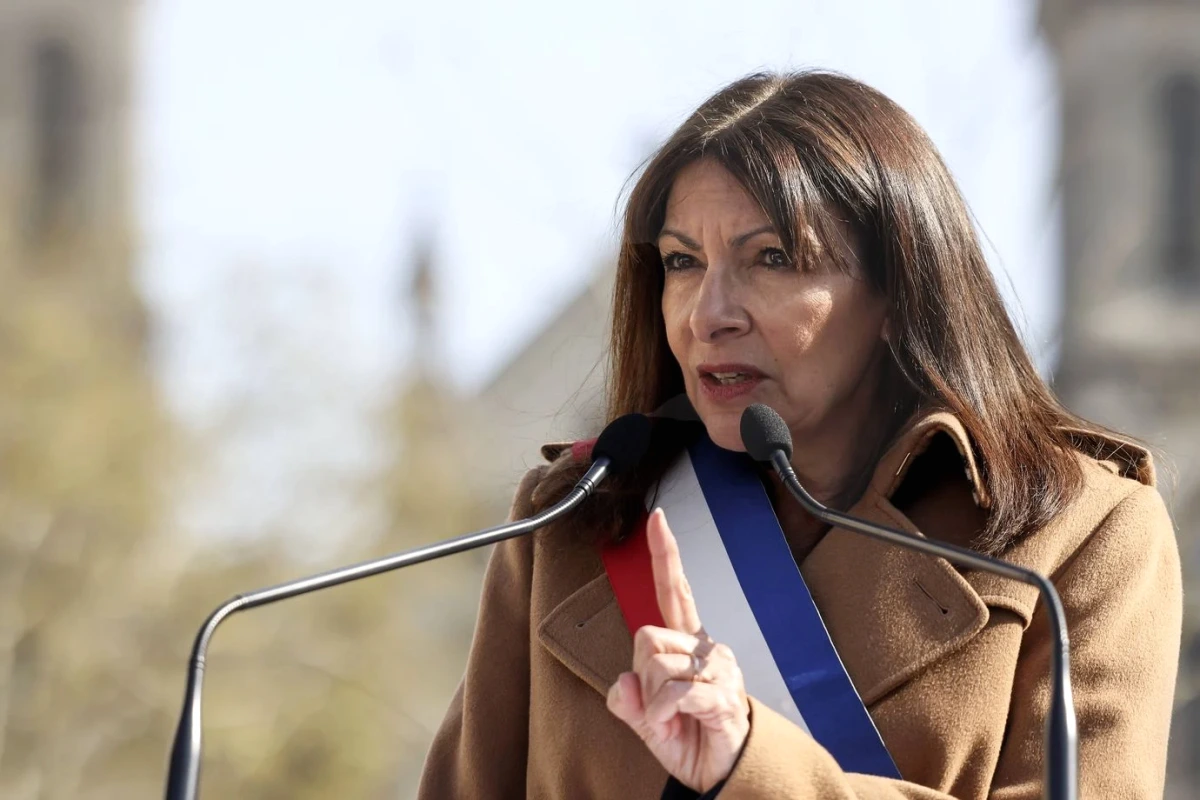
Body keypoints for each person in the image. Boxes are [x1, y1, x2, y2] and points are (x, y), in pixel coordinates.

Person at [417, 71, 1182, 799]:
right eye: (683, 262)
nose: (708, 312)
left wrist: (752, 763)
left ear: (897, 291)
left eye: (772, 259)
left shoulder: (1076, 533)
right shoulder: (579, 520)